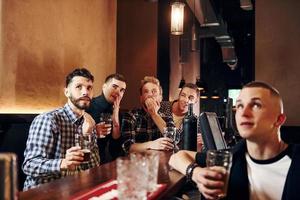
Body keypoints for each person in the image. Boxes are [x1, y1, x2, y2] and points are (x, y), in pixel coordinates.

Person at [169, 81, 300, 200]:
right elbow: (177, 157)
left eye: (256, 105)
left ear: (279, 120)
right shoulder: (232, 157)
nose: (243, 112)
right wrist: (196, 173)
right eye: (240, 106)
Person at [22, 68, 100, 190]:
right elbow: (29, 165)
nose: (85, 92)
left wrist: (87, 135)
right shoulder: (49, 119)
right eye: (79, 87)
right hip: (43, 192)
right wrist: (62, 163)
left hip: (73, 189)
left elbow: (94, 165)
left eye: (89, 88)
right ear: (67, 92)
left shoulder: (89, 122)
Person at [121, 76, 173, 153]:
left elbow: (173, 140)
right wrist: (152, 144)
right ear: (141, 97)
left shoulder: (166, 116)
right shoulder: (131, 116)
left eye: (154, 91)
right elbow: (127, 147)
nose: (150, 95)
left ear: (160, 97)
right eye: (146, 91)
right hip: (138, 162)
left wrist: (154, 114)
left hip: (161, 160)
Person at [86, 73, 126, 164]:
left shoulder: (118, 112)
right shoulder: (88, 105)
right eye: (114, 87)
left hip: (106, 163)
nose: (118, 92)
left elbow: (115, 150)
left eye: (122, 90)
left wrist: (116, 121)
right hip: (88, 162)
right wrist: (93, 131)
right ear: (104, 87)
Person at [160, 83, 200, 150]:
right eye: (183, 95)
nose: (186, 100)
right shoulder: (162, 107)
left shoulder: (194, 121)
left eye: (191, 98)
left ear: (196, 101)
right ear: (179, 96)